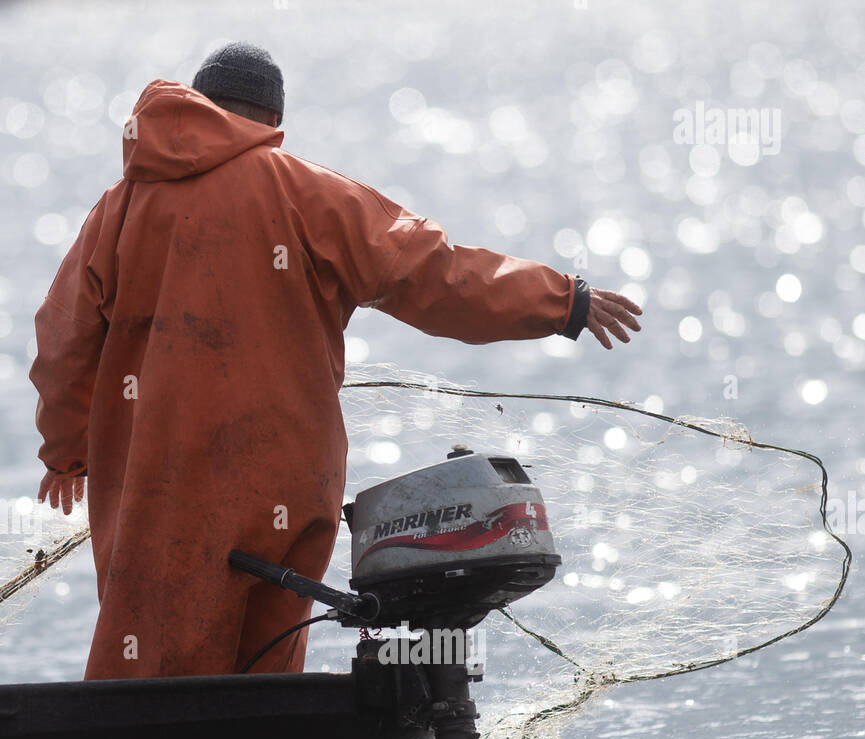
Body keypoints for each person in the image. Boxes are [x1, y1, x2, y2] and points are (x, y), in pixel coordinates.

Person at [30, 42, 641, 680]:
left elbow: (63, 339)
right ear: (270, 121)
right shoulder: (307, 193)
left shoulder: (118, 210)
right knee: (269, 670)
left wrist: (65, 451)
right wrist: (562, 303)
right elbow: (436, 276)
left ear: (200, 106)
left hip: (161, 489)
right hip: (288, 482)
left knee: (152, 677)